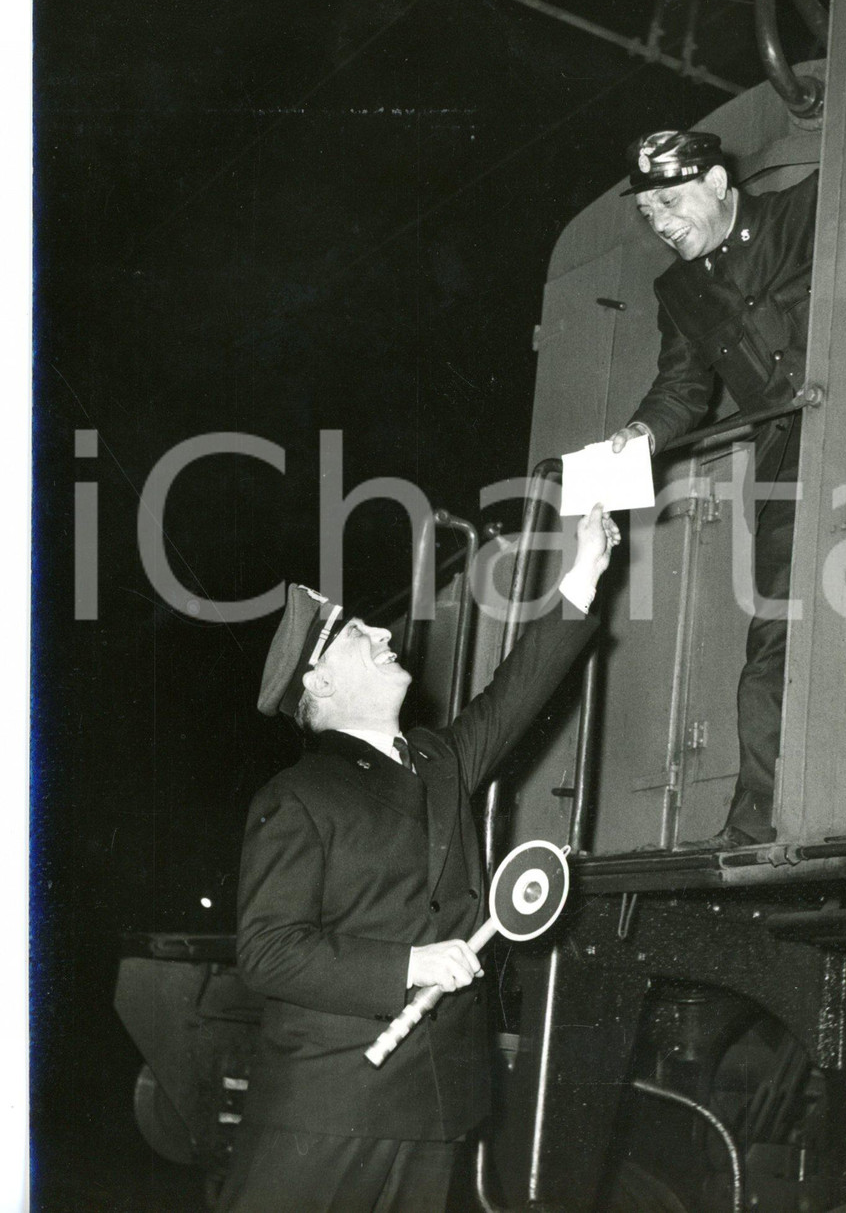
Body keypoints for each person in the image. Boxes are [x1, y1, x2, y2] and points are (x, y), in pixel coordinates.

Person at [216, 503, 620, 1213]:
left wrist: (584, 568)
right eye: (351, 632)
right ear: (318, 685)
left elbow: (517, 692)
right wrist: (411, 964)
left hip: (436, 1107)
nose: (381, 630)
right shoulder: (299, 795)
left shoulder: (438, 760)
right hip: (330, 1111)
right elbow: (269, 951)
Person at [610, 129, 818, 849]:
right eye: (647, 214)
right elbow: (683, 385)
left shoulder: (812, 209)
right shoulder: (679, 290)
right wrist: (640, 433)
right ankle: (754, 821)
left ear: (720, 183)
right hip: (787, 462)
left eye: (670, 201)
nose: (660, 223)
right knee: (774, 640)